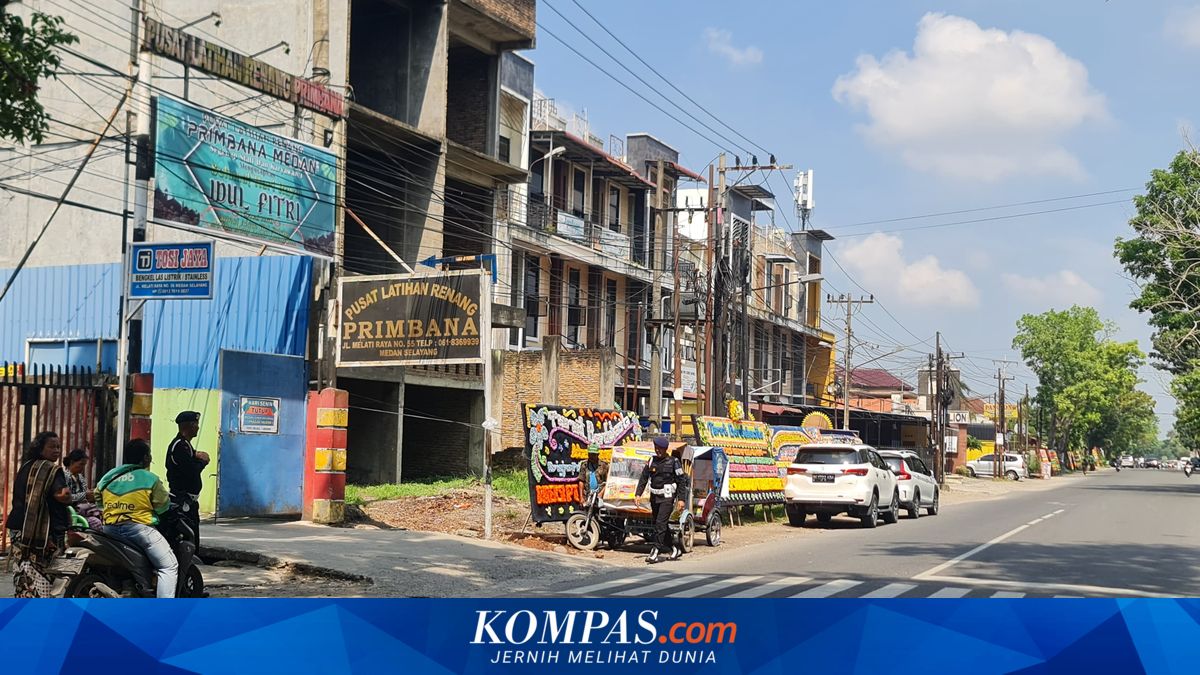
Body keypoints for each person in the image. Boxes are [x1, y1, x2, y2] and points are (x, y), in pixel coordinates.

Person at [97, 438, 178, 598]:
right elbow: (162, 506)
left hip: (109, 530)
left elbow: (98, 499)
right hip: (139, 529)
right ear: (146, 458)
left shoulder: (109, 476)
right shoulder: (150, 478)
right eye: (149, 455)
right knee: (168, 566)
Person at [5, 431, 71, 595]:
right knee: (44, 575)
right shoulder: (51, 470)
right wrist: (76, 496)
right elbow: (62, 495)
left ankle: (25, 605)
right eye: (52, 447)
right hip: (44, 535)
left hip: (19, 529)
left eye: (58, 447)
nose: (56, 450)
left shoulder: (26, 466)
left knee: (24, 571)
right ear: (40, 448)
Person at [634, 436, 688, 564]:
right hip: (655, 497)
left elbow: (681, 482)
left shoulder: (674, 462)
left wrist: (681, 499)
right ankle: (674, 549)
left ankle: (655, 550)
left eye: (660, 448)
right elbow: (644, 478)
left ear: (665, 449)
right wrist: (638, 494)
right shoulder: (651, 461)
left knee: (660, 523)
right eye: (656, 448)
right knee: (660, 525)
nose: (658, 450)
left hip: (667, 498)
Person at [166, 410, 209, 553]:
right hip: (182, 501)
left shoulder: (185, 445)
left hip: (188, 501)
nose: (197, 427)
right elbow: (191, 470)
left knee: (193, 534)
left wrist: (197, 455)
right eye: (195, 424)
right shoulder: (179, 446)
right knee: (188, 536)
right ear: (189, 426)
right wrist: (203, 462)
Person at [64, 449, 103, 530]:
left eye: (84, 465)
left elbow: (86, 492)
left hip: (84, 509)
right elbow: (67, 497)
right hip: (72, 511)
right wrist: (85, 495)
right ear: (72, 462)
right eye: (81, 464)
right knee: (97, 523)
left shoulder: (80, 477)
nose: (83, 467)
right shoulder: (65, 476)